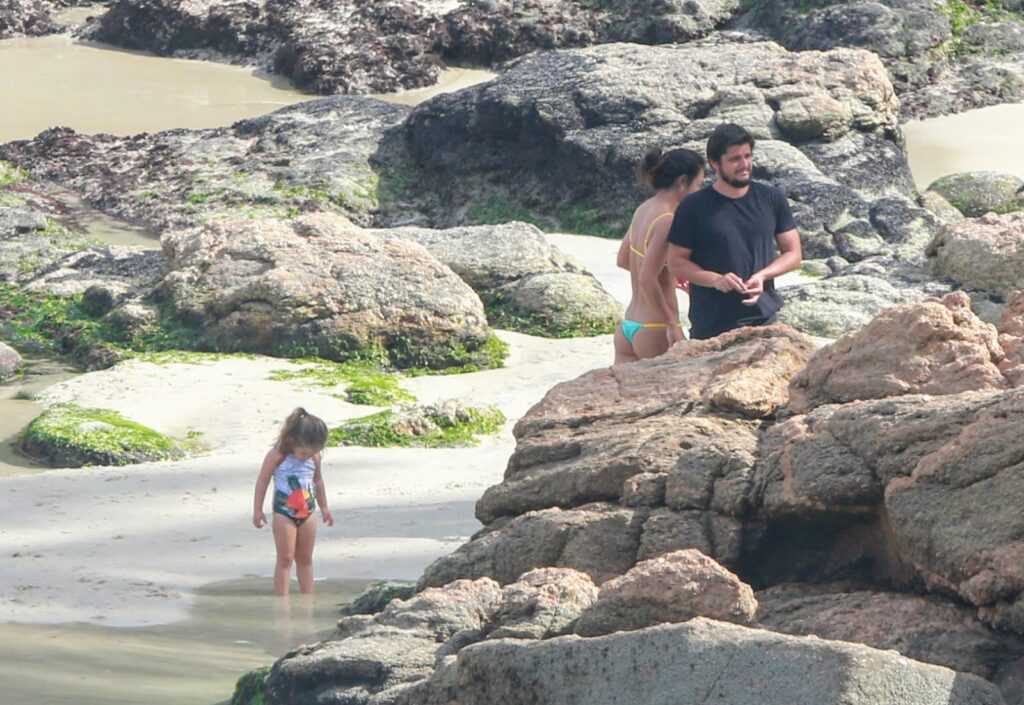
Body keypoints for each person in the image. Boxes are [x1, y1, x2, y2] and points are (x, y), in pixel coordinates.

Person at [667, 123, 802, 340]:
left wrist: (763, 275)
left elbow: (793, 254)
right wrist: (715, 279)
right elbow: (675, 262)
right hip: (710, 327)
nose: (744, 164)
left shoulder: (772, 198)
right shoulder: (693, 206)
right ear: (715, 163)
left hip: (764, 321)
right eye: (735, 159)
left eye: (747, 156)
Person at [614, 146, 706, 364]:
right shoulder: (668, 220)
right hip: (655, 328)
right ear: (682, 182)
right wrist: (672, 324)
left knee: (625, 397)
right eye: (698, 185)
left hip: (629, 325)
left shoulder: (644, 208)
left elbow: (624, 260)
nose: (699, 192)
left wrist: (667, 277)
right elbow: (647, 278)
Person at [252, 407, 334, 596]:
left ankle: (308, 599)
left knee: (305, 559)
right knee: (286, 559)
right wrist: (257, 510)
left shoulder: (314, 457)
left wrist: (324, 507)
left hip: (309, 512)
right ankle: (282, 601)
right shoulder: (277, 456)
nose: (307, 456)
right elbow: (262, 481)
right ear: (292, 441)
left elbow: (317, 481)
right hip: (284, 513)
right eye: (304, 453)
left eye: (313, 452)